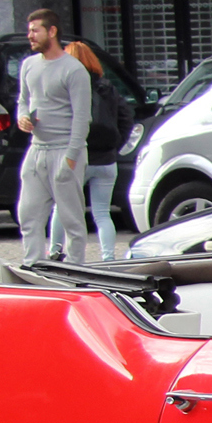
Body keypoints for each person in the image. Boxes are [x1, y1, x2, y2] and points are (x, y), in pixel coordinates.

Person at [15, 7, 90, 264]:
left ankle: (76, 268)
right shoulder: (28, 65)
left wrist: (71, 157)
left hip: (64, 149)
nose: (30, 36)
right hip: (36, 150)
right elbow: (23, 100)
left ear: (52, 31)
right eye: (29, 31)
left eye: (35, 30)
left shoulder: (74, 70)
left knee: (71, 219)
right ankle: (33, 265)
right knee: (28, 215)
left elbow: (82, 118)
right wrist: (22, 117)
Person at [50, 39, 122, 261]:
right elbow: (125, 118)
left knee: (62, 207)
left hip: (76, 157)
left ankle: (55, 251)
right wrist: (115, 145)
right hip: (106, 160)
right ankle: (108, 258)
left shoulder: (67, 87)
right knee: (102, 213)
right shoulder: (108, 88)